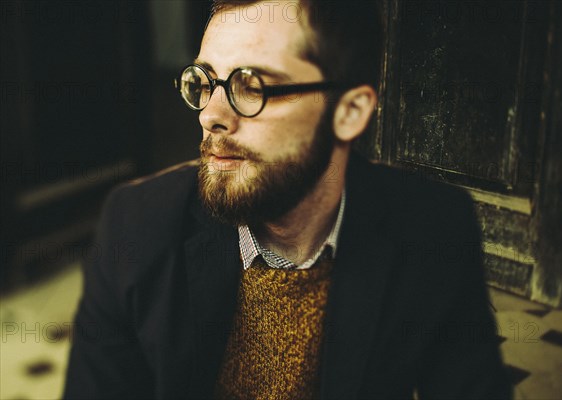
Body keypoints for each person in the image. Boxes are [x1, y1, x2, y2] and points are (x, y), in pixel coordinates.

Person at [64, 1, 513, 399]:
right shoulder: (135, 225)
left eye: (253, 85)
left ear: (349, 112)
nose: (211, 116)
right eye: (204, 82)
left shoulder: (432, 232)